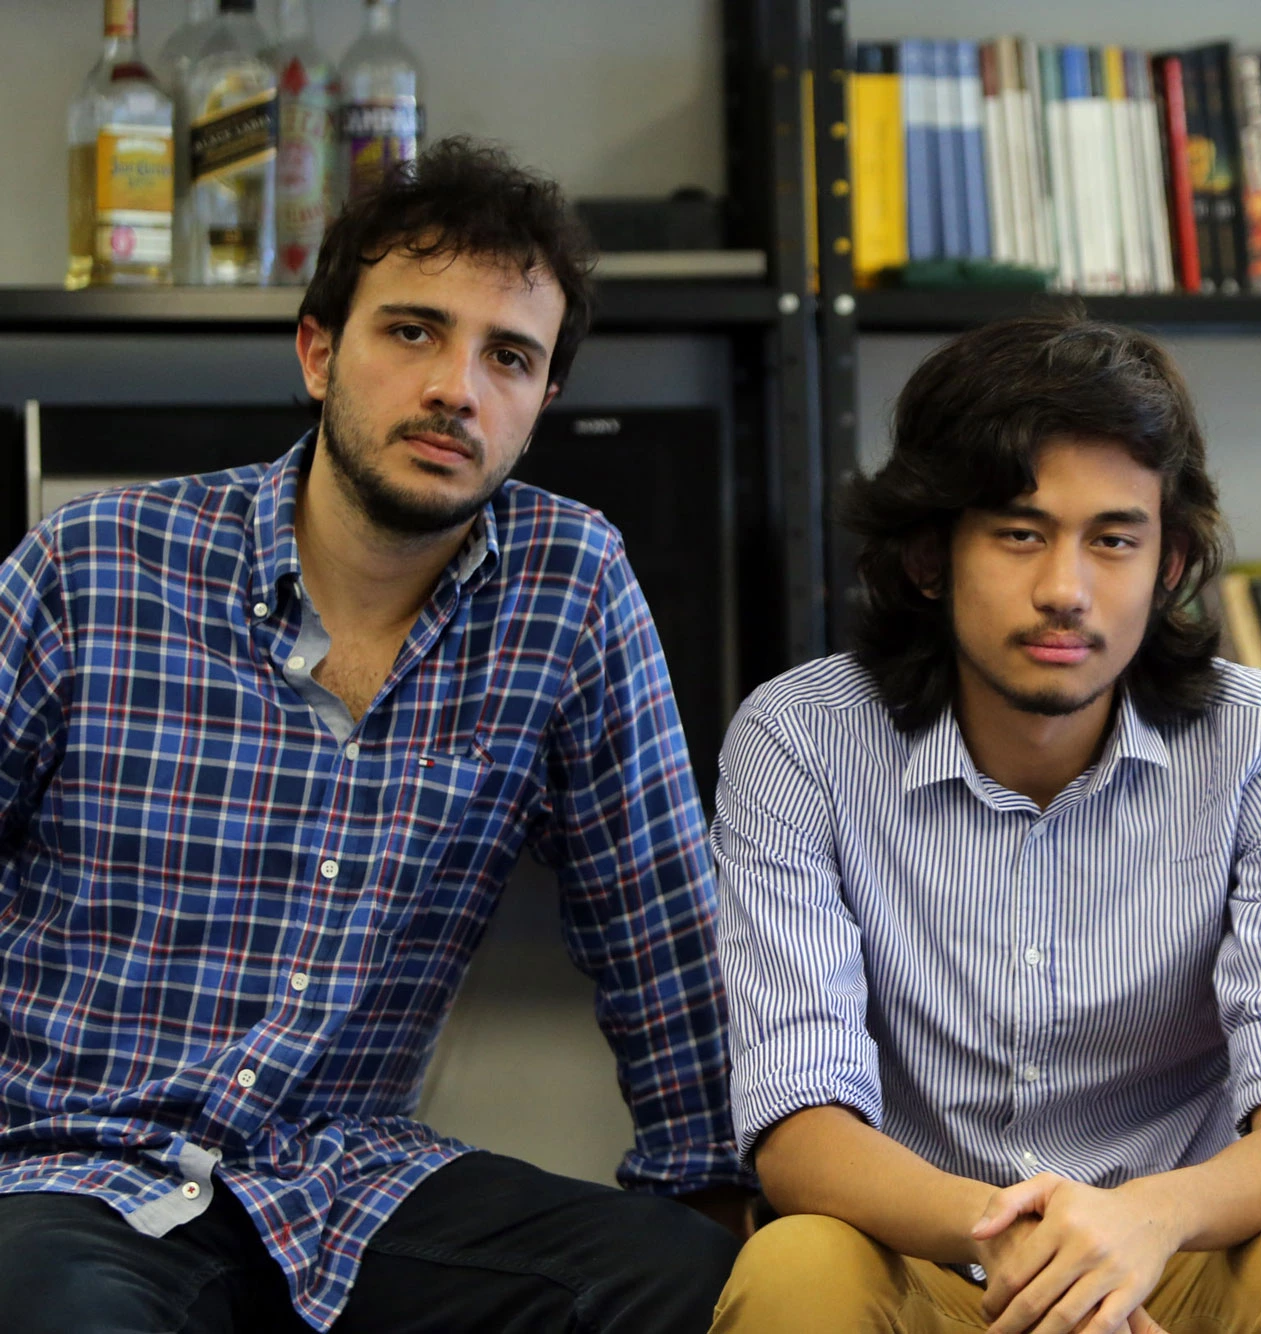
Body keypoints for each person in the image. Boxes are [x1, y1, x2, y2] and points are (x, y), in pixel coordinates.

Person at [0, 139, 747, 1333]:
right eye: (411, 331)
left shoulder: (568, 587)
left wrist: (707, 1201)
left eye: (507, 356)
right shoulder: (90, 566)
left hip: (345, 1184)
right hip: (59, 1167)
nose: (456, 386)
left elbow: (662, 938)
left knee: (697, 1284)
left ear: (541, 401)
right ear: (317, 351)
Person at [707, 313, 1261, 1334]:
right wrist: (1027, 1242)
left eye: (1113, 539)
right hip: (928, 1247)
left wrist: (1140, 1225)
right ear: (929, 555)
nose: (1064, 591)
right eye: (1019, 533)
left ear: (1168, 563)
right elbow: (799, 1124)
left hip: (1178, 1249)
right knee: (793, 1264)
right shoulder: (800, 738)